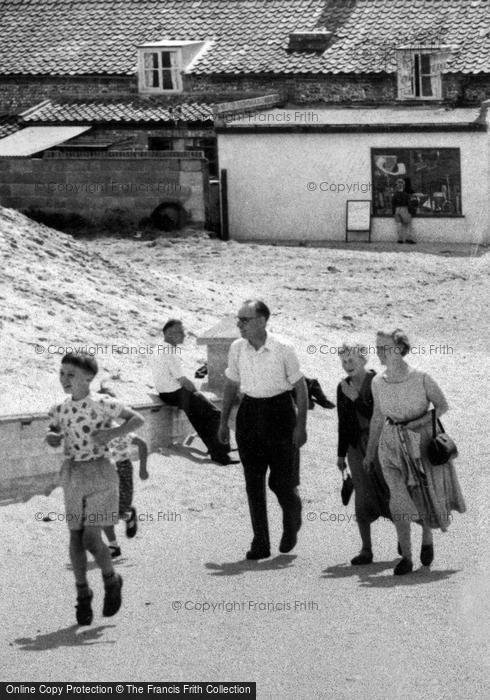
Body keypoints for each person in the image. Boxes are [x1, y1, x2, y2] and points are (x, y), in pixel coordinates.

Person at [46, 351, 144, 624]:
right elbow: (53, 429)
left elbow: (137, 419)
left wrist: (111, 434)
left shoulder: (103, 403)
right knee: (75, 537)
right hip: (73, 474)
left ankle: (111, 580)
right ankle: (82, 594)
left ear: (88, 377)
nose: (65, 379)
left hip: (101, 472)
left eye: (71, 374)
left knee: (91, 538)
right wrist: (53, 437)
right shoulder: (59, 408)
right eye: (62, 373)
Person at [363, 330, 466, 576]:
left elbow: (442, 406)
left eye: (384, 347)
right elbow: (378, 417)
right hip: (390, 444)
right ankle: (406, 557)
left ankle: (427, 535)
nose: (378, 352)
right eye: (377, 347)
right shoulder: (378, 381)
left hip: (419, 443)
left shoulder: (421, 378)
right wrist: (369, 453)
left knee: (423, 496)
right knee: (398, 498)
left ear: (399, 349)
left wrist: (417, 423)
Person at [218, 300, 308, 560]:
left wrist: (301, 427)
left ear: (261, 321)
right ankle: (260, 542)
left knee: (282, 483)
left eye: (244, 320)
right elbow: (231, 385)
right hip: (249, 415)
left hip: (280, 415)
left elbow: (300, 389)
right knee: (253, 482)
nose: (239, 325)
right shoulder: (237, 349)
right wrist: (224, 422)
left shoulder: (283, 348)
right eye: (238, 319)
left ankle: (292, 518)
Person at [151, 319, 236, 465]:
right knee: (215, 414)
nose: (184, 335)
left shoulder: (157, 348)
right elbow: (183, 381)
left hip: (165, 393)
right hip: (177, 393)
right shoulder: (169, 352)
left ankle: (216, 449)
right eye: (180, 332)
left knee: (198, 418)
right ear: (170, 334)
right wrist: (197, 393)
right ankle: (222, 454)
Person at [336, 343, 391, 565]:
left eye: (351, 360)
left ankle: (402, 538)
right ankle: (366, 549)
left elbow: (380, 415)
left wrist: (356, 398)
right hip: (355, 447)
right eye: (344, 361)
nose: (347, 365)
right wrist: (341, 455)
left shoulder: (377, 381)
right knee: (362, 493)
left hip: (379, 442)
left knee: (387, 488)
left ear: (363, 360)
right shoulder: (342, 386)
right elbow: (343, 422)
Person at [98, 385, 149, 558]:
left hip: (122, 469)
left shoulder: (120, 430)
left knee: (118, 510)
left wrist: (143, 469)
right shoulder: (92, 427)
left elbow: (142, 444)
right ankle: (113, 546)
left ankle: (128, 515)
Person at [392, 178, 416, 244]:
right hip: (404, 209)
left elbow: (393, 204)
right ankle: (408, 238)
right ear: (403, 186)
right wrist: (412, 211)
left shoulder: (394, 195)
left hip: (397, 210)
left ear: (397, 186)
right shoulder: (406, 195)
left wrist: (393, 212)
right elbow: (409, 204)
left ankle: (400, 239)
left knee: (399, 224)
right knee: (408, 224)